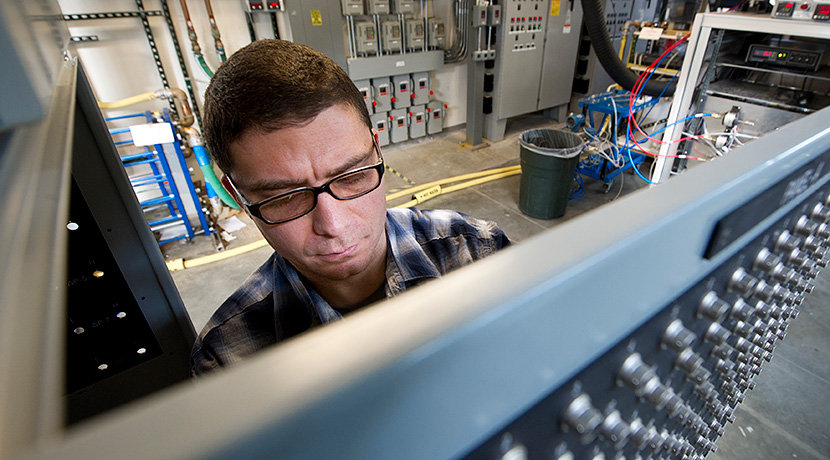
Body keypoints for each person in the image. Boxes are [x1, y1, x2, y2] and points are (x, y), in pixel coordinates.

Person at [190, 39, 511, 376]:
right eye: (284, 197)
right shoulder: (227, 359)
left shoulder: (477, 251)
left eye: (352, 175)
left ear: (377, 148)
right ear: (238, 195)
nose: (333, 224)